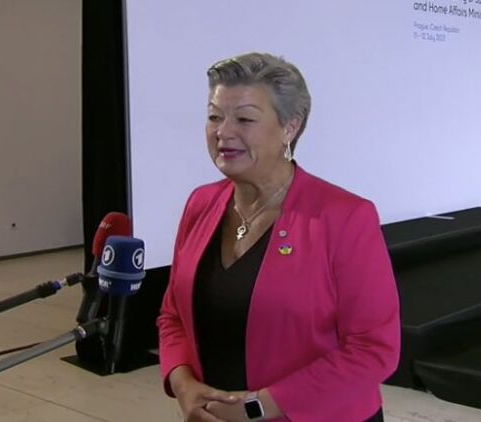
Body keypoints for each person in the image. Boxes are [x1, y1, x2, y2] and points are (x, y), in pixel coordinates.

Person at [157, 52, 400, 422]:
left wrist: (257, 408)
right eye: (214, 116)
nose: (223, 132)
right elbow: (172, 315)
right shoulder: (200, 204)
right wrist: (184, 387)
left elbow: (373, 348)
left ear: (290, 127)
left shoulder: (346, 217)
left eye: (244, 119)